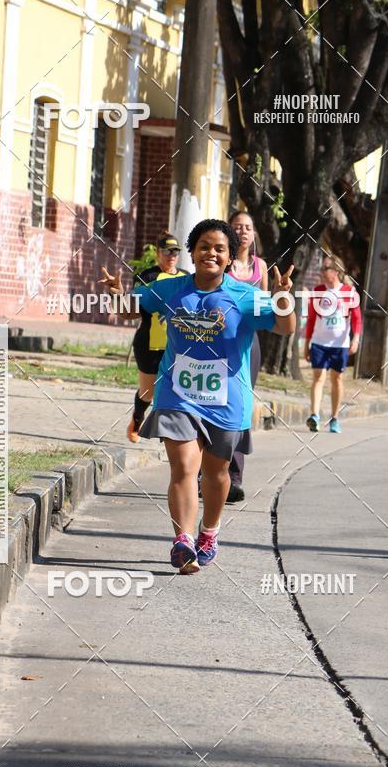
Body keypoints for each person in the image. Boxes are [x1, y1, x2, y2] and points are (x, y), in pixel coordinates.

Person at [99, 219, 294, 574]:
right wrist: (116, 294)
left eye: (220, 248)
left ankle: (209, 531)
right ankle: (183, 541)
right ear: (193, 251)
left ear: (230, 256)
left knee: (217, 474)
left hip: (226, 400)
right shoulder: (171, 289)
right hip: (178, 394)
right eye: (204, 246)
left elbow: (284, 327)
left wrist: (283, 298)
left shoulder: (245, 296)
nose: (211, 253)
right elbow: (130, 308)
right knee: (184, 467)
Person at [224, 211, 268, 502]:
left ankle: (234, 477)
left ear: (254, 235)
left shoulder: (260, 267)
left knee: (240, 405)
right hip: (217, 341)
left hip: (248, 344)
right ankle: (207, 471)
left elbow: (265, 308)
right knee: (210, 400)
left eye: (248, 227)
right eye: (237, 226)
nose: (243, 231)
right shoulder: (221, 260)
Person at [127, 232, 187, 443]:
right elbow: (136, 307)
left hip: (178, 344)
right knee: (148, 392)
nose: (172, 255)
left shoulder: (186, 277)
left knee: (174, 390)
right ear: (158, 253)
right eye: (167, 251)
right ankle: (137, 418)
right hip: (150, 341)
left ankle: (169, 433)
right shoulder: (146, 277)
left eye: (175, 252)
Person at [304, 257, 362, 434]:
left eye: (325, 269)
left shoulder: (349, 292)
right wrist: (307, 344)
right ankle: (314, 415)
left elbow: (357, 319)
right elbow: (312, 319)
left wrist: (356, 339)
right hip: (320, 343)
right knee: (318, 378)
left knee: (337, 379)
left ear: (336, 271)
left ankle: (334, 418)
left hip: (340, 345)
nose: (321, 272)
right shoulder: (317, 292)